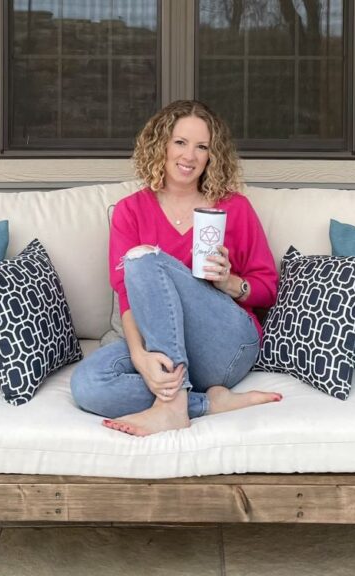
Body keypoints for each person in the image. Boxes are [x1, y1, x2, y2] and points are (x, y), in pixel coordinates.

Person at [70, 100, 280, 436]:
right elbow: (127, 294)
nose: (190, 156)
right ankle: (204, 403)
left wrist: (229, 282)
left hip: (224, 343)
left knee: (142, 257)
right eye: (180, 142)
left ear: (213, 155)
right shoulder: (131, 211)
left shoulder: (234, 208)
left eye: (202, 147)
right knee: (88, 383)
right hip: (165, 347)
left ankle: (170, 408)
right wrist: (139, 356)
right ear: (161, 145)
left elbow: (268, 289)